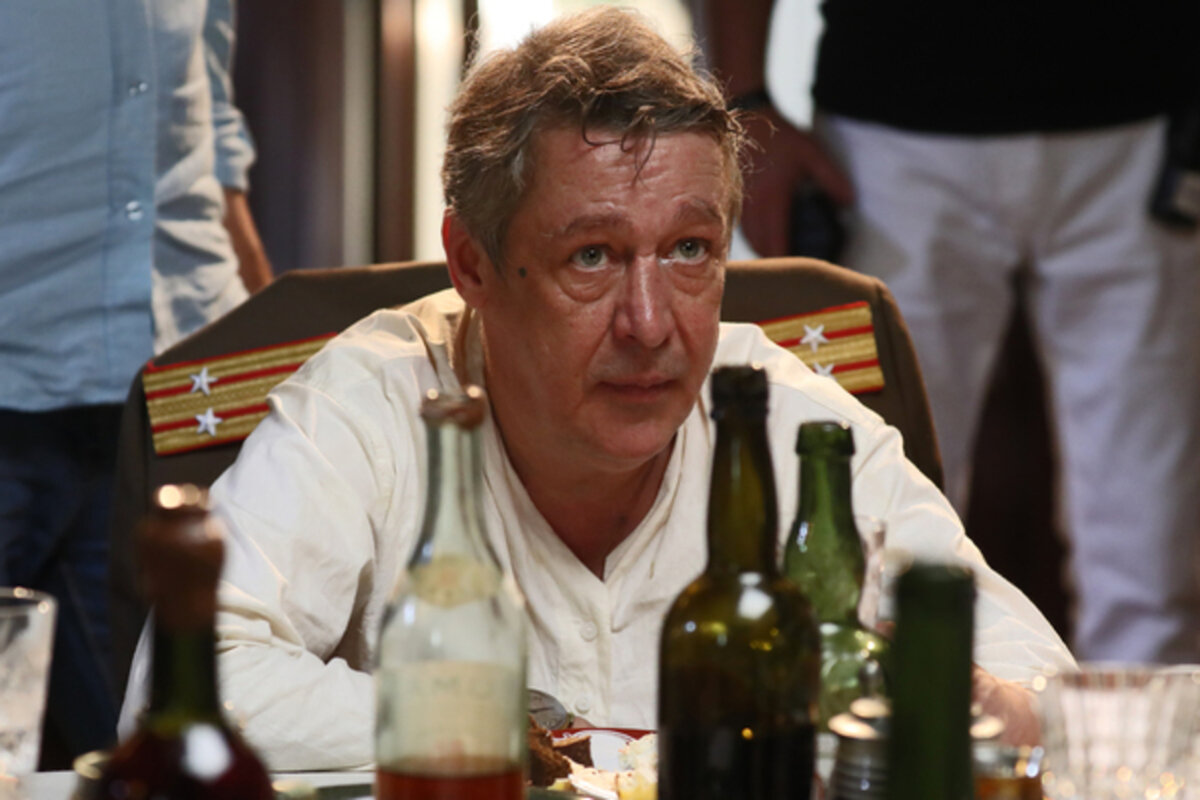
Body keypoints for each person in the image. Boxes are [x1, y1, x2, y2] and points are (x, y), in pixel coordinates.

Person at [119, 7, 1072, 769]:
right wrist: (502, 722)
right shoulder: (371, 402)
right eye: (593, 257)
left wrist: (981, 701)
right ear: (472, 263)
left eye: (690, 250)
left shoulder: (781, 419)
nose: (650, 324)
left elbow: (1046, 692)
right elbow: (183, 690)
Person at [703, 0, 1200, 664]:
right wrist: (746, 102)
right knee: (866, 517)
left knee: (1153, 561)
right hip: (891, 137)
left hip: (1143, 125)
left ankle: (1137, 736)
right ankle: (877, 727)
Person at [0, 0, 270, 762]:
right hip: (13, 370)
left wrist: (271, 323)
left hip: (169, 395)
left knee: (177, 751)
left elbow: (212, 128)